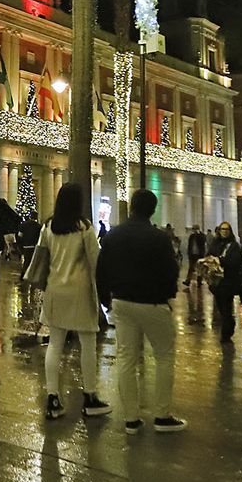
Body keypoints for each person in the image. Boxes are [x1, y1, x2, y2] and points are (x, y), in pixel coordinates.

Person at [97, 189, 185, 434]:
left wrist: (107, 300)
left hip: (122, 302)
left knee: (126, 358)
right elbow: (171, 271)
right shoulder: (158, 237)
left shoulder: (113, 235)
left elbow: (101, 269)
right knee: (164, 356)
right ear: (152, 209)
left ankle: (131, 418)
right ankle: (162, 415)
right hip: (152, 302)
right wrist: (168, 295)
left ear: (132, 207)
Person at [29, 182, 108, 420]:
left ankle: (52, 397)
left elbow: (40, 258)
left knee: (55, 343)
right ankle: (90, 396)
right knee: (87, 343)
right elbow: (96, 261)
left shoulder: (49, 227)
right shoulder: (84, 227)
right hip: (80, 292)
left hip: (55, 290)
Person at [208, 223, 242, 343]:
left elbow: (235, 261)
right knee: (221, 307)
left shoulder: (234, 246)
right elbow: (209, 255)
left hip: (228, 281)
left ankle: (225, 334)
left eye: (227, 229)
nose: (224, 231)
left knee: (226, 306)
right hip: (216, 281)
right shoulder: (215, 244)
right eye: (222, 229)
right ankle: (230, 324)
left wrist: (221, 260)